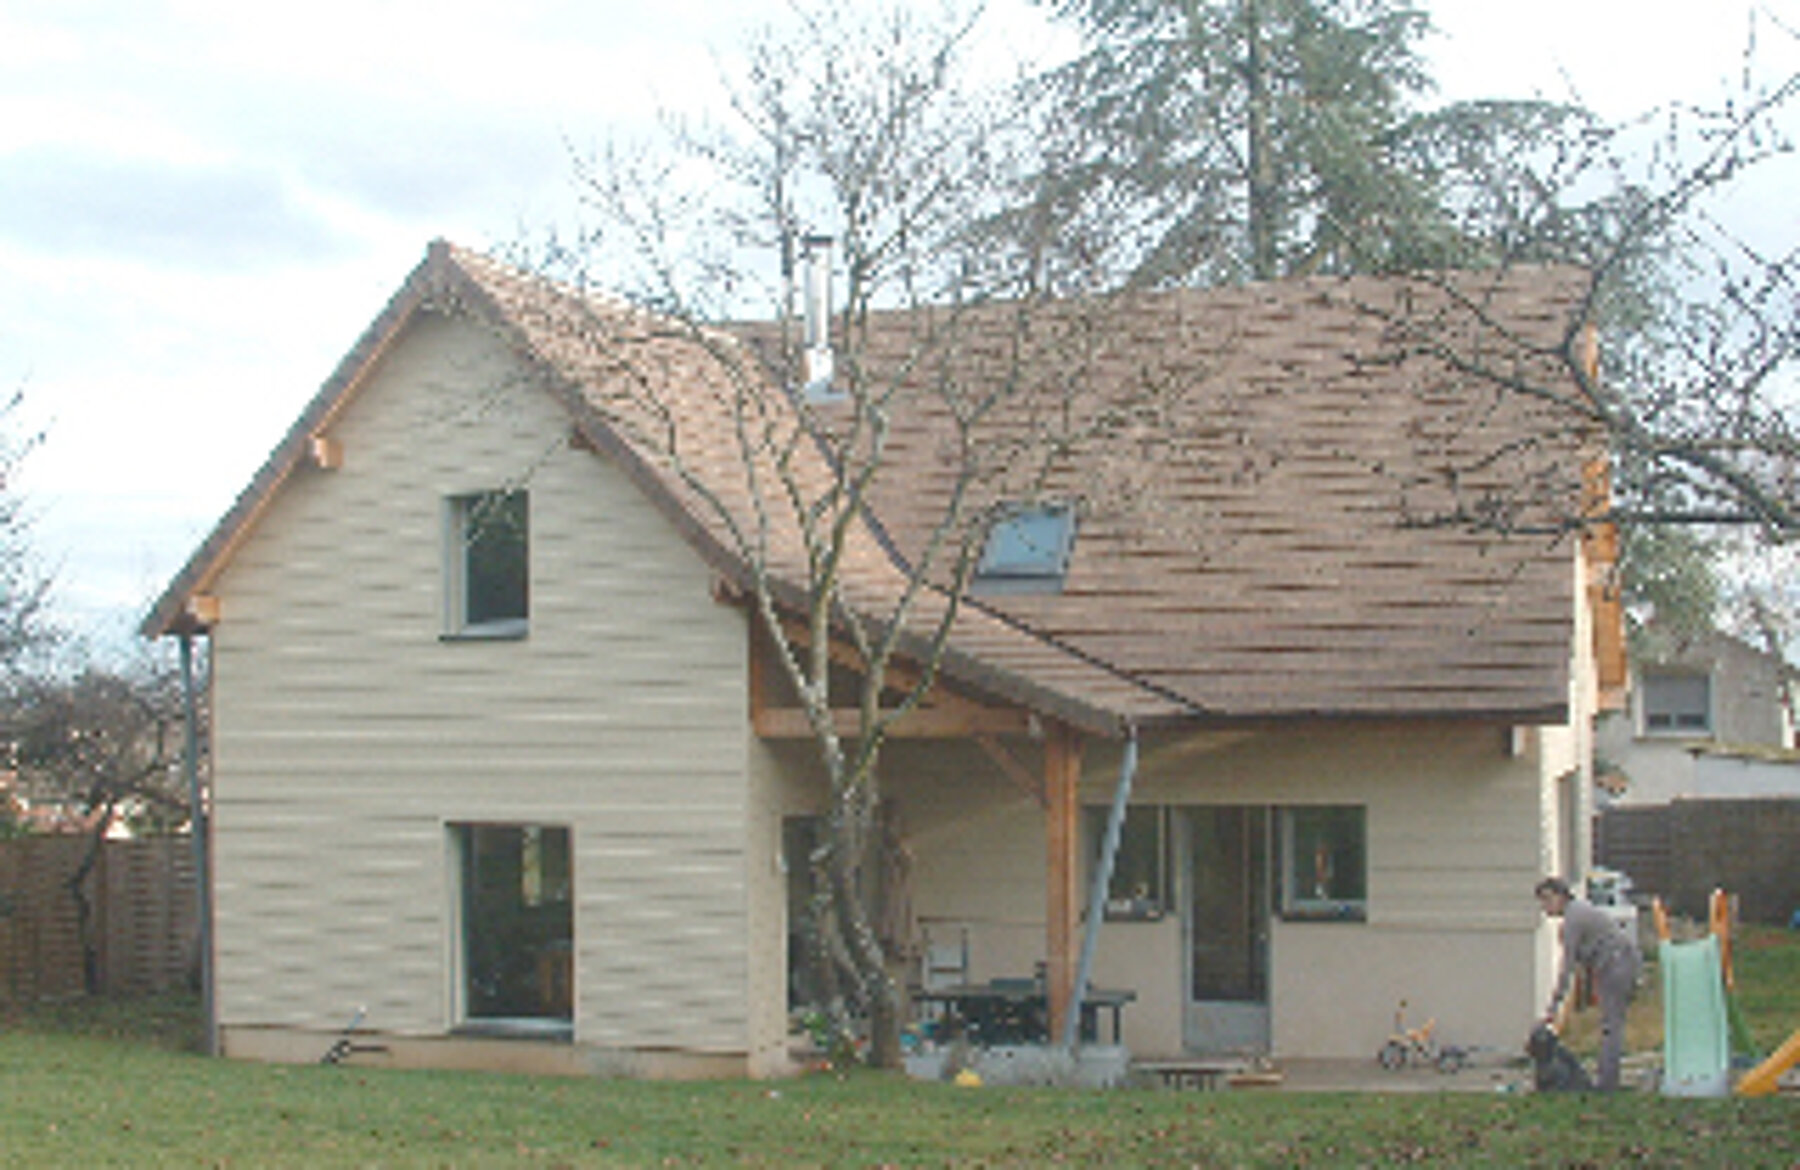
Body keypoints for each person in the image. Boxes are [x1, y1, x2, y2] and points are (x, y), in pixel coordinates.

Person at [1536, 875, 1642, 1091]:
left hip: (1616, 964)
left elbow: (1567, 967)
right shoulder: (1576, 914)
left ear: (1562, 896)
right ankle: (1607, 1079)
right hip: (1615, 964)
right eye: (1541, 901)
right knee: (1610, 1024)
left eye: (1548, 899)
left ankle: (1607, 1086)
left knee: (1611, 1026)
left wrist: (1553, 1006)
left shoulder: (1574, 919)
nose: (1544, 906)